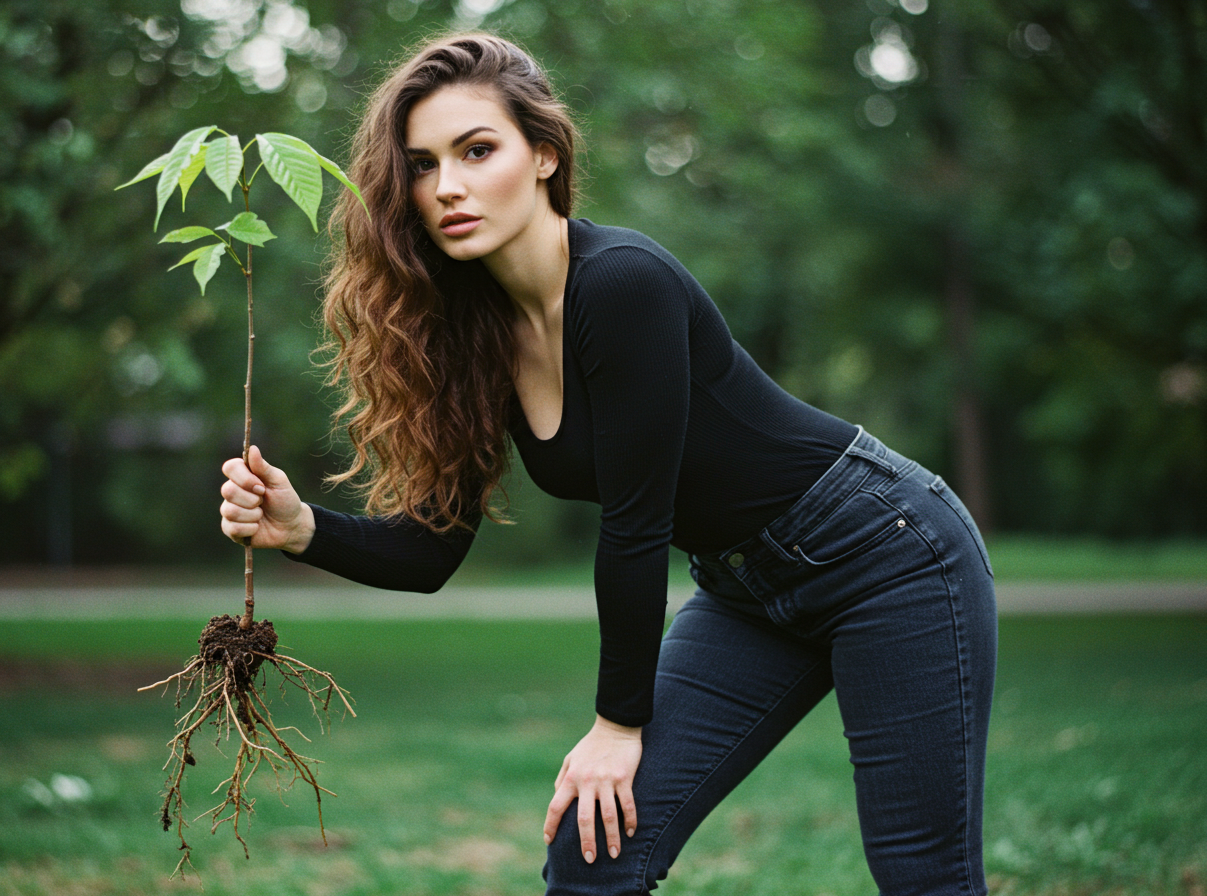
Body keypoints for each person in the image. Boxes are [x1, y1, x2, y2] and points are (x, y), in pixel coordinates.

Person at [218, 32, 998, 896]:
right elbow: (430, 553)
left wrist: (617, 724)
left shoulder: (622, 284)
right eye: (422, 165)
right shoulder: (476, 335)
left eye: (478, 150)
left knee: (922, 877)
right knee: (594, 858)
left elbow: (636, 525)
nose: (448, 187)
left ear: (545, 153)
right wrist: (302, 530)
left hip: (886, 555)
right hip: (747, 592)